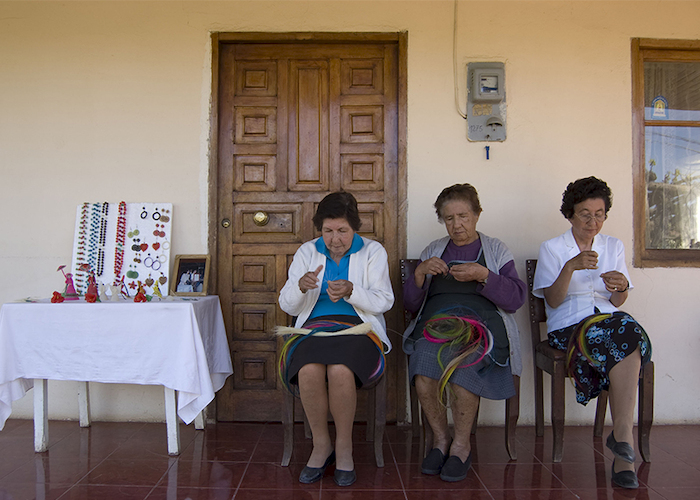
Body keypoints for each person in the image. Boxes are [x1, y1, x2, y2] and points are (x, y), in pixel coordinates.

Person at [532, 176, 652, 489]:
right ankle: (623, 441)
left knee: (626, 331)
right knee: (627, 333)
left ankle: (623, 442)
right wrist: (569, 267)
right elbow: (554, 301)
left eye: (599, 214)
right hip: (569, 328)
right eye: (585, 213)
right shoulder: (553, 248)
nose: (593, 221)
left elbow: (617, 300)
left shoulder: (613, 246)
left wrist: (622, 287)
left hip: (609, 325)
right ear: (570, 214)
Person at [403, 183, 526, 482]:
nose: (457, 225)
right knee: (423, 367)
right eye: (449, 218)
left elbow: (515, 299)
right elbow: (410, 305)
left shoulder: (495, 249)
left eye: (463, 216)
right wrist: (419, 274)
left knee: (464, 367)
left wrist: (484, 275)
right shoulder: (434, 250)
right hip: (436, 325)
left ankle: (461, 446)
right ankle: (441, 440)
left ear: (477, 215)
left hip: (482, 326)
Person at [278, 191, 394, 487]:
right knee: (309, 370)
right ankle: (321, 445)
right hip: (314, 328)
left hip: (358, 329)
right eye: (328, 231)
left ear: (354, 228)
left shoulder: (373, 251)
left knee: (341, 370)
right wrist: (301, 288)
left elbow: (384, 301)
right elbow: (287, 305)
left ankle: (344, 447)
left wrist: (353, 291)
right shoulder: (307, 252)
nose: (335, 239)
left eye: (342, 231)